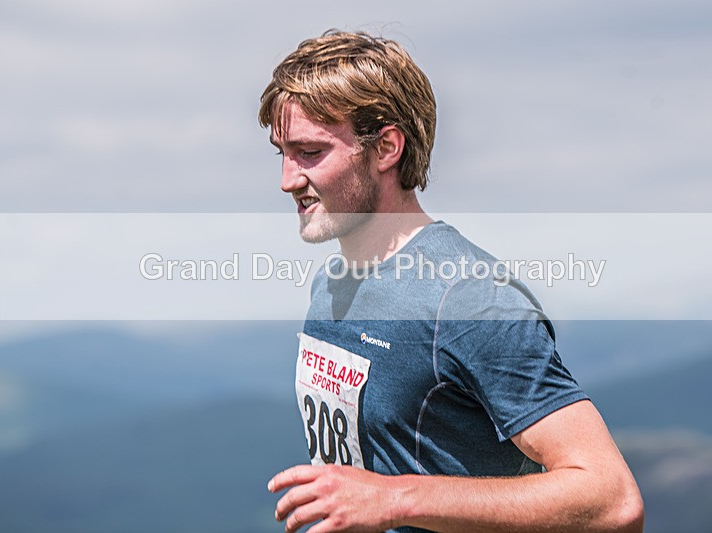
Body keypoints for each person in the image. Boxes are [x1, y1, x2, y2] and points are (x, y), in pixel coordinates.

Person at [260, 30, 644, 533]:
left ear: (386, 148)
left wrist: (396, 498)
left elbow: (612, 498)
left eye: (310, 152)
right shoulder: (331, 283)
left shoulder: (470, 300)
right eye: (281, 153)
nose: (288, 180)